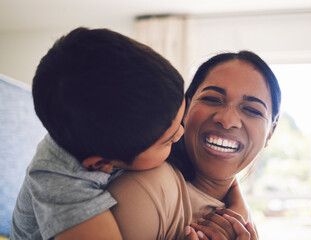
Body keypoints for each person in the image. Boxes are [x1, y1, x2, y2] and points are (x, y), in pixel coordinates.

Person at [10, 27, 185, 240]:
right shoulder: (60, 180)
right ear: (101, 164)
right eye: (167, 141)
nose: (180, 134)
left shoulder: (110, 135)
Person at [107, 50, 281, 239]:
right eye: (212, 99)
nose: (227, 120)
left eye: (251, 110)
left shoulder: (241, 221)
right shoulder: (147, 190)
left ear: (270, 132)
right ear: (186, 108)